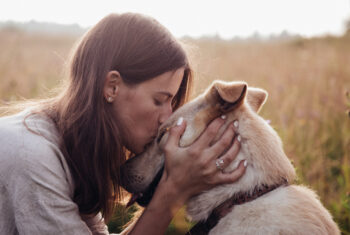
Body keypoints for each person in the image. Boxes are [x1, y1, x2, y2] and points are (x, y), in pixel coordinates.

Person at [0, 13, 246, 234]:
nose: (167, 118)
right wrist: (173, 191)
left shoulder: (72, 150)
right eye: (159, 100)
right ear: (112, 86)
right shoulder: (32, 156)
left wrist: (173, 187)